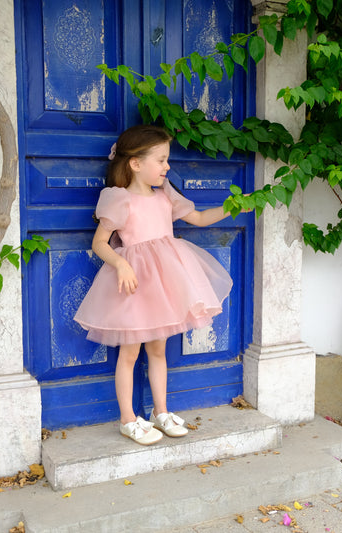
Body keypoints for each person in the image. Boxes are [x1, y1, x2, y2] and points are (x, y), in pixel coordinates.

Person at [74, 124, 248, 446]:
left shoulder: (165, 194)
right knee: (130, 352)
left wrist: (236, 206)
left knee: (159, 349)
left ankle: (160, 411)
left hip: (166, 282)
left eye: (167, 160)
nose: (167, 167)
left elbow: (197, 217)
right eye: (161, 160)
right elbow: (100, 243)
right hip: (136, 285)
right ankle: (128, 418)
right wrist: (121, 262)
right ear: (136, 163)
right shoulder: (119, 200)